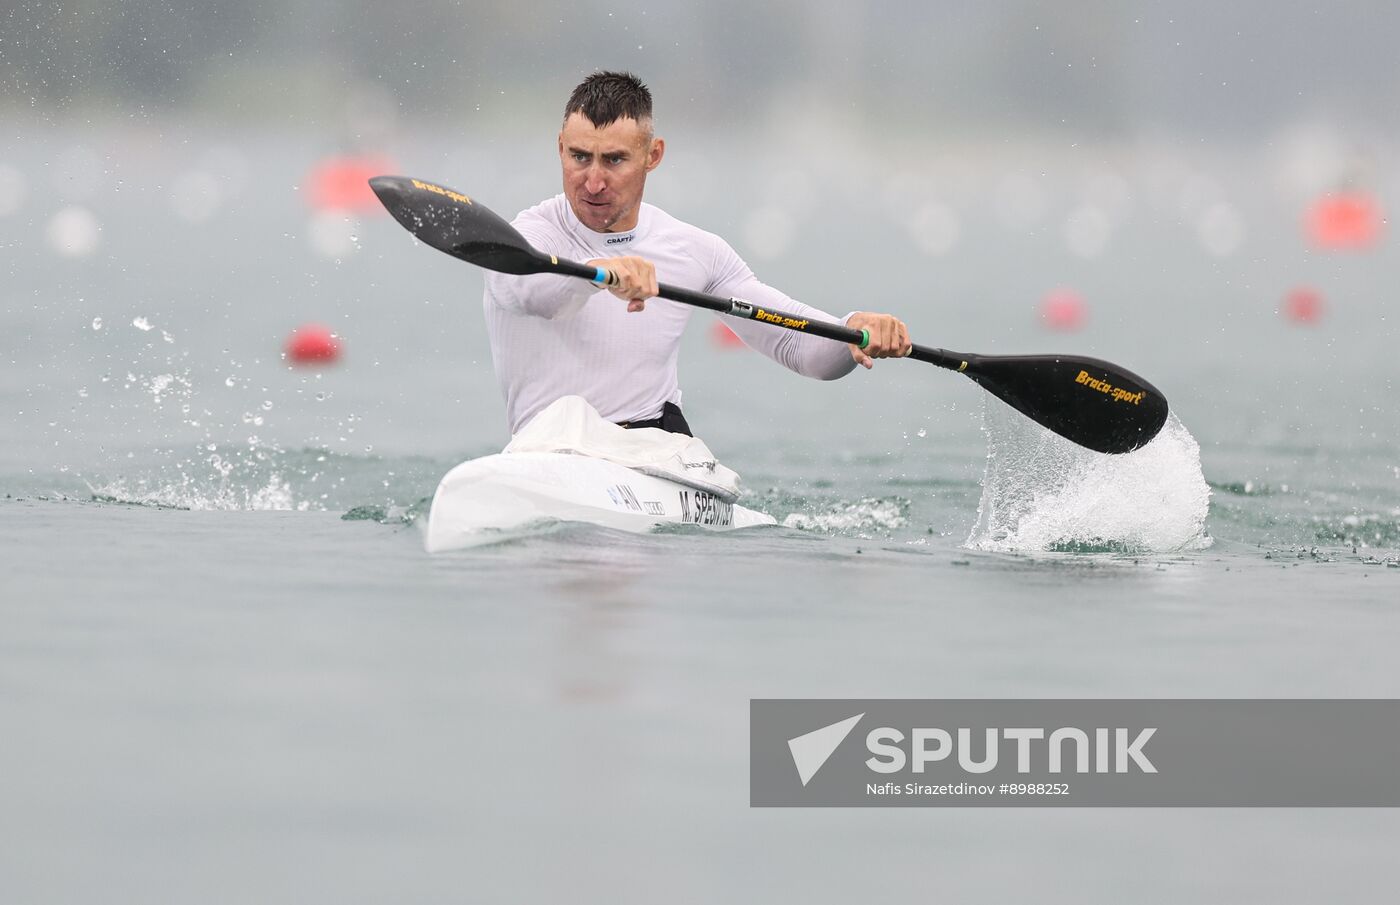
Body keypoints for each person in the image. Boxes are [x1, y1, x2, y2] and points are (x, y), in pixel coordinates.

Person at [484, 70, 911, 437]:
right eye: (580, 157)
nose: (593, 181)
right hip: (545, 454)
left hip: (654, 457)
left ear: (653, 156)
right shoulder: (527, 240)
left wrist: (853, 331)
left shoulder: (693, 250)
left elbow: (798, 347)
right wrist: (600, 274)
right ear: (560, 147)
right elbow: (531, 294)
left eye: (614, 161)